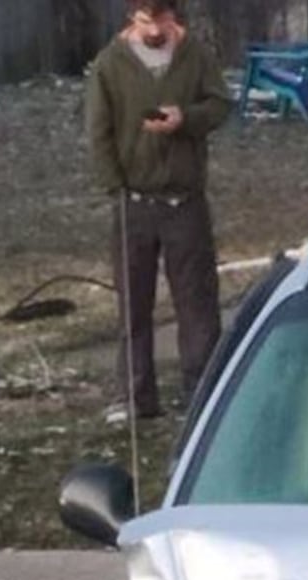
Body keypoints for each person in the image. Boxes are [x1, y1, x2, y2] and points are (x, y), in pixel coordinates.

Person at [87, 0, 231, 425]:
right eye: (146, 20)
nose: (154, 28)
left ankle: (202, 391)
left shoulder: (195, 56)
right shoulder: (110, 64)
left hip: (185, 199)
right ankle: (135, 394)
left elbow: (220, 105)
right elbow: (98, 130)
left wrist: (185, 118)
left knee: (197, 302)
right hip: (134, 202)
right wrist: (117, 186)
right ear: (133, 17)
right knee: (133, 302)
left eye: (162, 19)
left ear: (174, 18)